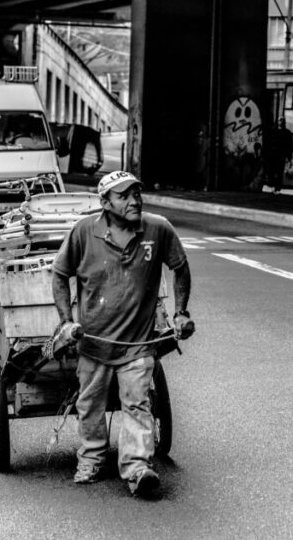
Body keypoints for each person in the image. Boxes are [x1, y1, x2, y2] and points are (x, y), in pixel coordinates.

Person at [52, 170, 195, 499]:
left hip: (137, 345)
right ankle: (91, 459)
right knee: (90, 405)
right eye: (124, 196)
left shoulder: (158, 229)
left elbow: (180, 267)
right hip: (93, 344)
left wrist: (180, 313)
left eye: (137, 193)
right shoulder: (83, 232)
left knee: (138, 404)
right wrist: (66, 322)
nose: (134, 201)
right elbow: (60, 274)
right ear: (105, 203)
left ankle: (137, 468)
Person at [263, 117, 293, 193]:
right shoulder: (286, 133)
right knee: (274, 171)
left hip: (279, 156)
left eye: (282, 122)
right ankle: (275, 186)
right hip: (276, 155)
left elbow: (289, 146)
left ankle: (276, 187)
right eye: (280, 121)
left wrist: (289, 157)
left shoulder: (277, 132)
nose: (280, 123)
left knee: (278, 172)